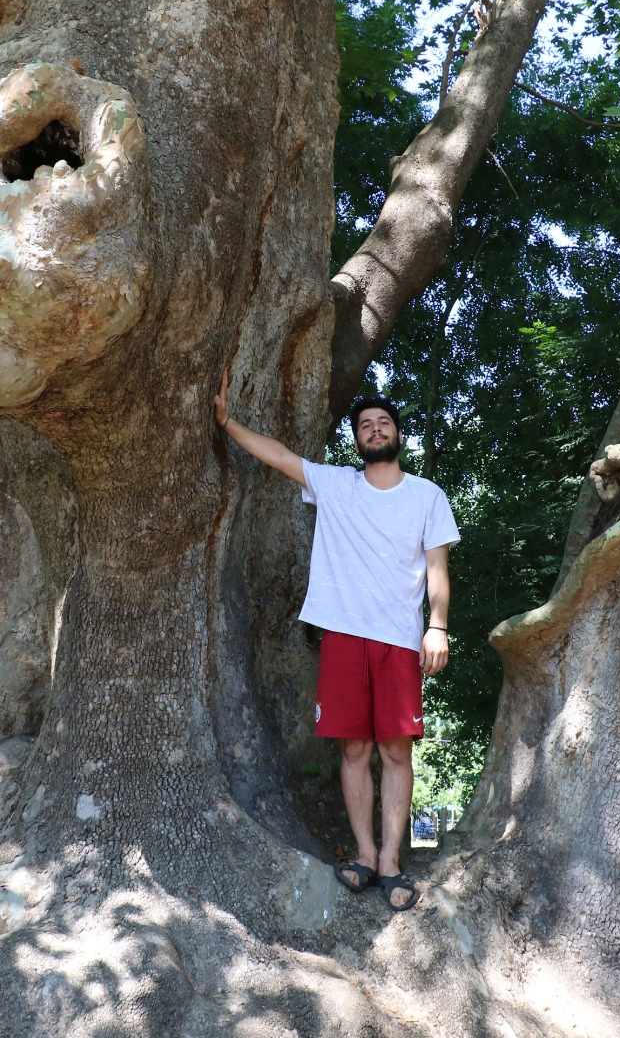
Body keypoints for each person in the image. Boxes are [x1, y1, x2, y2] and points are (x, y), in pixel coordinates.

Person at [213, 370, 458, 912]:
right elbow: (276, 455)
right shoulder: (336, 484)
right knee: (354, 749)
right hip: (345, 635)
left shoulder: (426, 496)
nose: (374, 429)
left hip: (399, 639)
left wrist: (437, 625)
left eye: (383, 422)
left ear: (398, 434)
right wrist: (227, 422)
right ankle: (366, 857)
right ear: (357, 440)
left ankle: (394, 863)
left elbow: (438, 568)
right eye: (365, 425)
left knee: (396, 750)